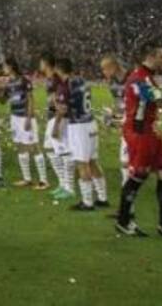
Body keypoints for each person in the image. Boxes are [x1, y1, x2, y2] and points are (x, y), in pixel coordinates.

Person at [100, 55, 162, 226]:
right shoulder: (115, 83)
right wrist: (113, 117)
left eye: (104, 68)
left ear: (113, 67)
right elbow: (124, 106)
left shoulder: (135, 78)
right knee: (156, 169)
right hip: (132, 129)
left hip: (140, 131)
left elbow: (155, 103)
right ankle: (128, 211)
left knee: (152, 170)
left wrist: (120, 119)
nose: (103, 72)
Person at [57, 58, 107, 210]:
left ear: (59, 69)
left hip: (79, 127)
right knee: (93, 161)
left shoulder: (66, 85)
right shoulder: (82, 81)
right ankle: (102, 198)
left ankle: (87, 202)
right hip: (91, 123)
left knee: (82, 163)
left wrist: (56, 124)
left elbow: (63, 109)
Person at [0, 59, 48, 189]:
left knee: (34, 147)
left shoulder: (24, 80)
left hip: (25, 117)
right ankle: (27, 179)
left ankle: (43, 181)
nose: (3, 69)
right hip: (14, 118)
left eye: (4, 66)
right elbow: (3, 101)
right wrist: (0, 90)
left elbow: (31, 99)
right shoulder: (8, 82)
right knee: (20, 146)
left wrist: (29, 118)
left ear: (11, 66)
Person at [38, 52, 69, 197]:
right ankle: (62, 183)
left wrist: (57, 117)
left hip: (57, 117)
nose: (39, 65)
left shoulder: (56, 78)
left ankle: (66, 185)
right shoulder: (50, 78)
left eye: (41, 62)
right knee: (51, 150)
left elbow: (60, 98)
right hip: (52, 116)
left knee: (59, 151)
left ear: (45, 63)